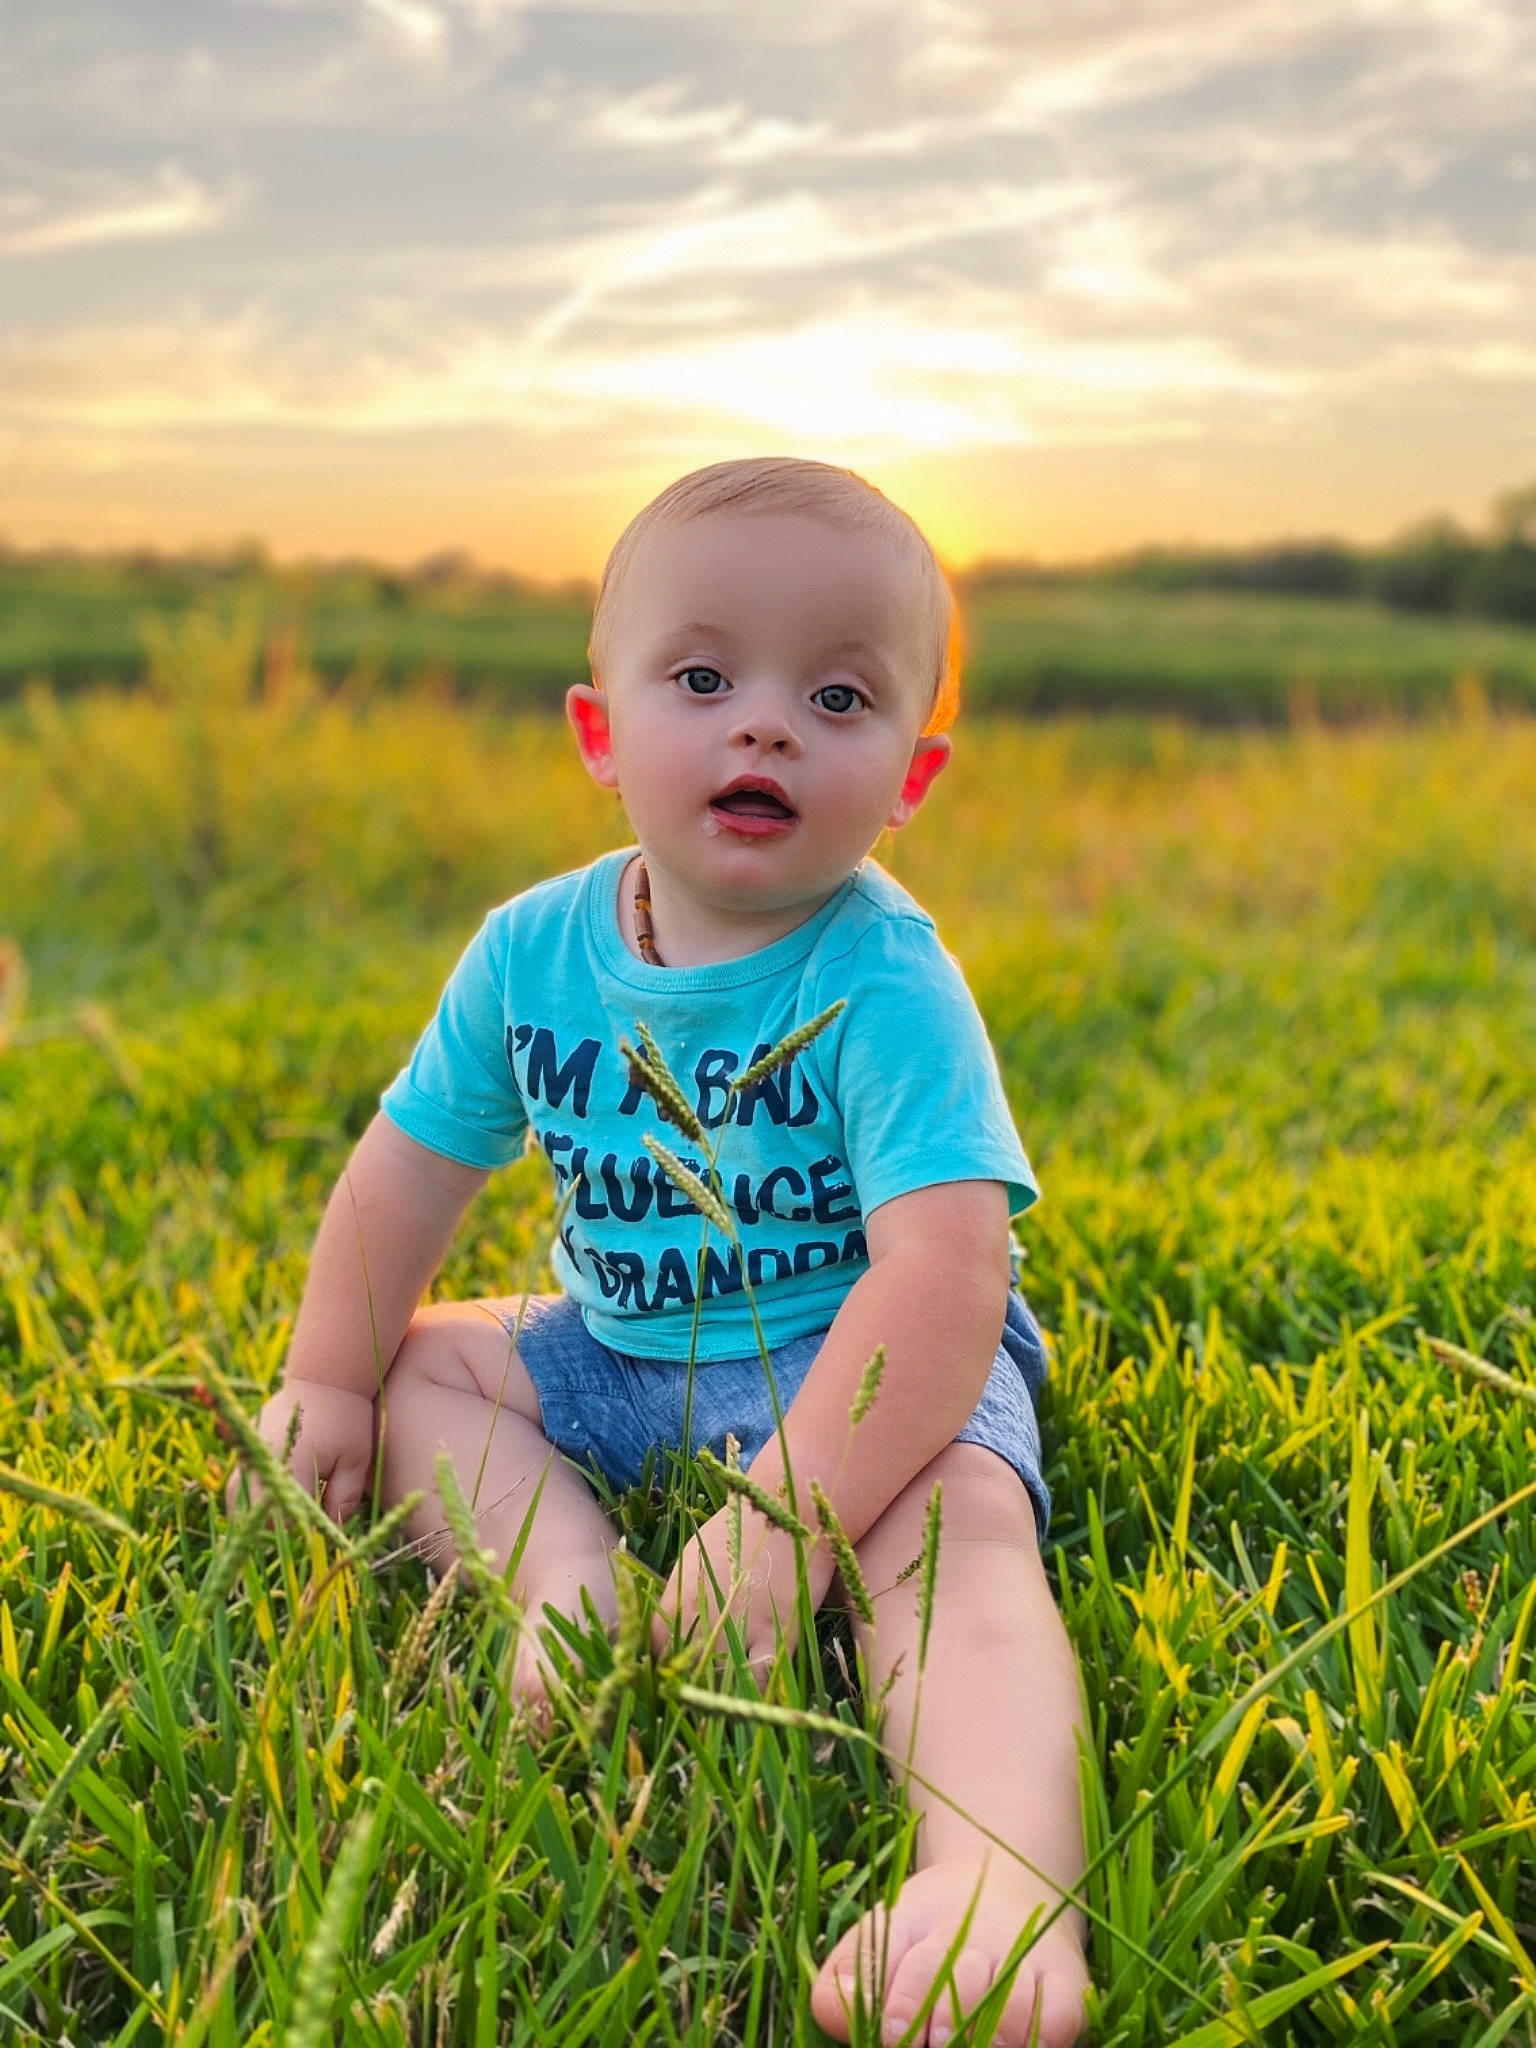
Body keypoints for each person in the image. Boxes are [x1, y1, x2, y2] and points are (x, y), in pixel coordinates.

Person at [231, 456, 1090, 2047]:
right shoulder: (530, 950)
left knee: (959, 1543)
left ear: (912, 775)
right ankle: (568, 1592)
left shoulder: (886, 977)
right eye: (703, 680)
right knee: (429, 1372)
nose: (766, 726)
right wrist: (327, 1381)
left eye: (839, 698)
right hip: (622, 1348)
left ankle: (993, 1884)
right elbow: (407, 1174)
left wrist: (785, 1519)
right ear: (600, 734)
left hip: (868, 1367)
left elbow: (947, 1278)